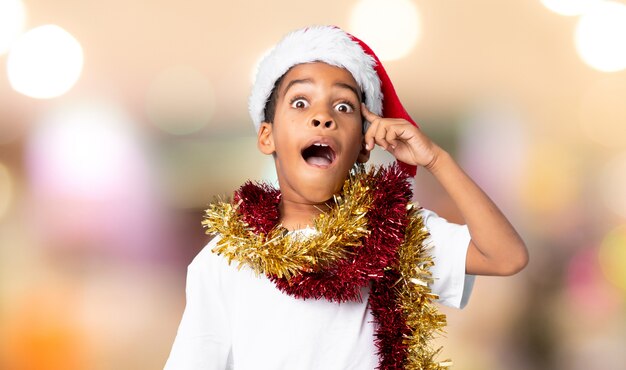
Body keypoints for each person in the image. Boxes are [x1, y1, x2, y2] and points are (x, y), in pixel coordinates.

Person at [164, 25, 528, 370]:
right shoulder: (223, 262)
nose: (322, 117)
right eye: (301, 102)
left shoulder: (395, 233)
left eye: (343, 107)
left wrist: (437, 159)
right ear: (267, 136)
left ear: (363, 147)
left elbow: (506, 256)